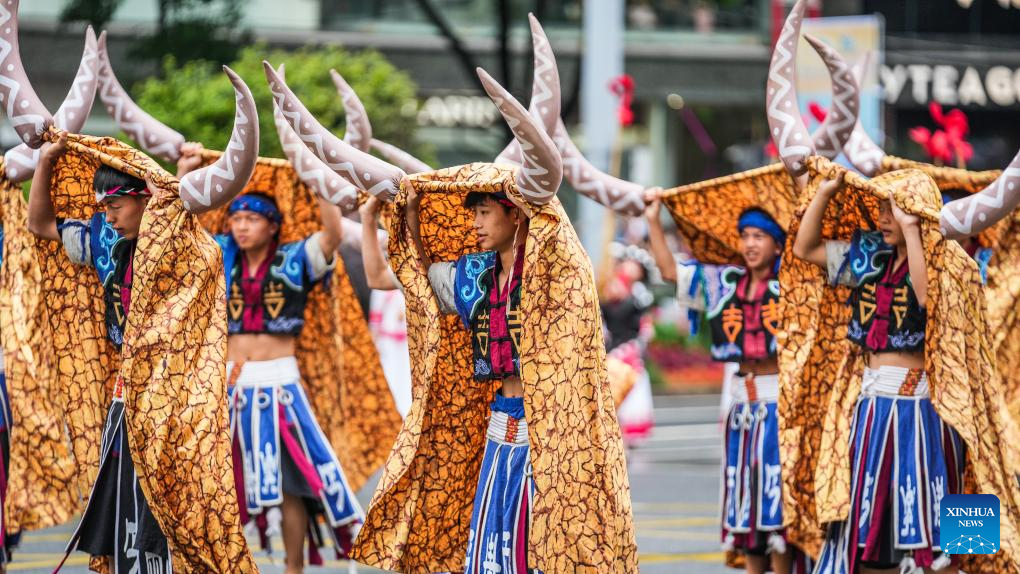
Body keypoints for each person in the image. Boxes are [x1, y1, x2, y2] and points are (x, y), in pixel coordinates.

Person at [264, 15, 638, 573]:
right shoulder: (474, 275)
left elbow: (554, 248)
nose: (477, 223)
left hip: (551, 433)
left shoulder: (556, 271)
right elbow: (398, 275)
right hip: (498, 423)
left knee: (550, 551)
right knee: (489, 554)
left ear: (515, 214)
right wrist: (396, 219)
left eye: (485, 211)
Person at [26, 67, 260, 573]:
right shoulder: (107, 245)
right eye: (100, 207)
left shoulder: (189, 250)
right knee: (119, 529)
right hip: (124, 399)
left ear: (144, 199)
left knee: (175, 521)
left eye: (113, 204)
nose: (106, 215)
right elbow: (39, 224)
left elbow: (196, 227)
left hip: (176, 408)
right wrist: (46, 162)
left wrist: (183, 174)